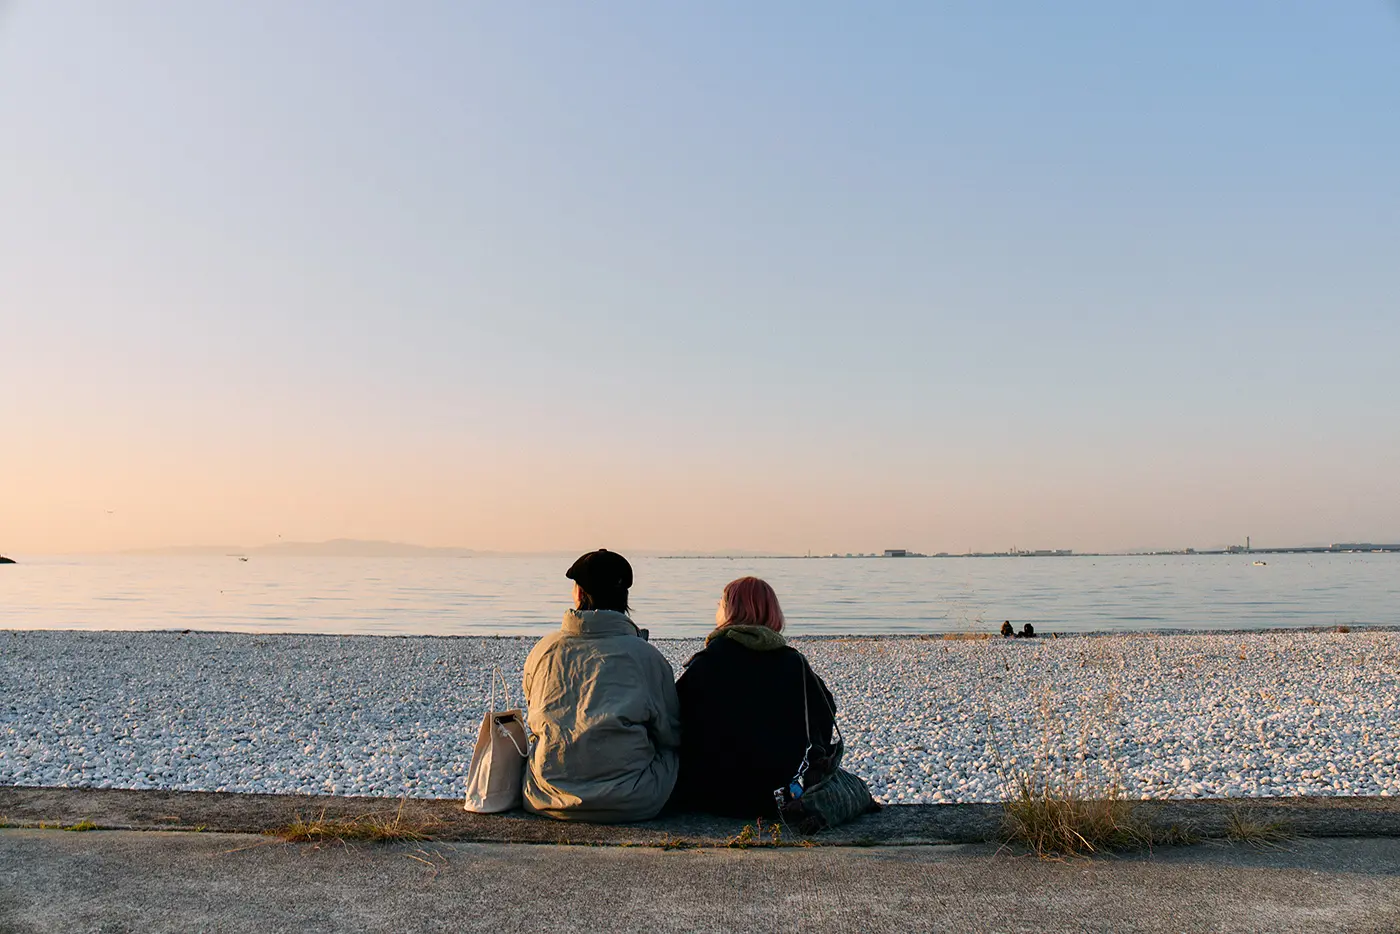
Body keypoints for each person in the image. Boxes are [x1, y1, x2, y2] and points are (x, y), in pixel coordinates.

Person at [521, 549, 681, 822]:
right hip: (634, 800)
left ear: (579, 594)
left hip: (548, 797)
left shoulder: (543, 651)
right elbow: (670, 734)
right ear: (624, 597)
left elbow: (533, 719)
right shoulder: (647, 658)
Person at [672, 576, 836, 818]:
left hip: (709, 792)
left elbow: (675, 720)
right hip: (779, 795)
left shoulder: (707, 663)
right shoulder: (794, 664)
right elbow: (825, 716)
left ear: (728, 610)